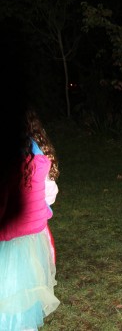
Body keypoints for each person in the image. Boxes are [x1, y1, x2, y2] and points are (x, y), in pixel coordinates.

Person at [0, 106, 60, 330]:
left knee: (6, 294)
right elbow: (49, 194)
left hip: (7, 239)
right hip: (33, 237)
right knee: (25, 289)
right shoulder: (39, 155)